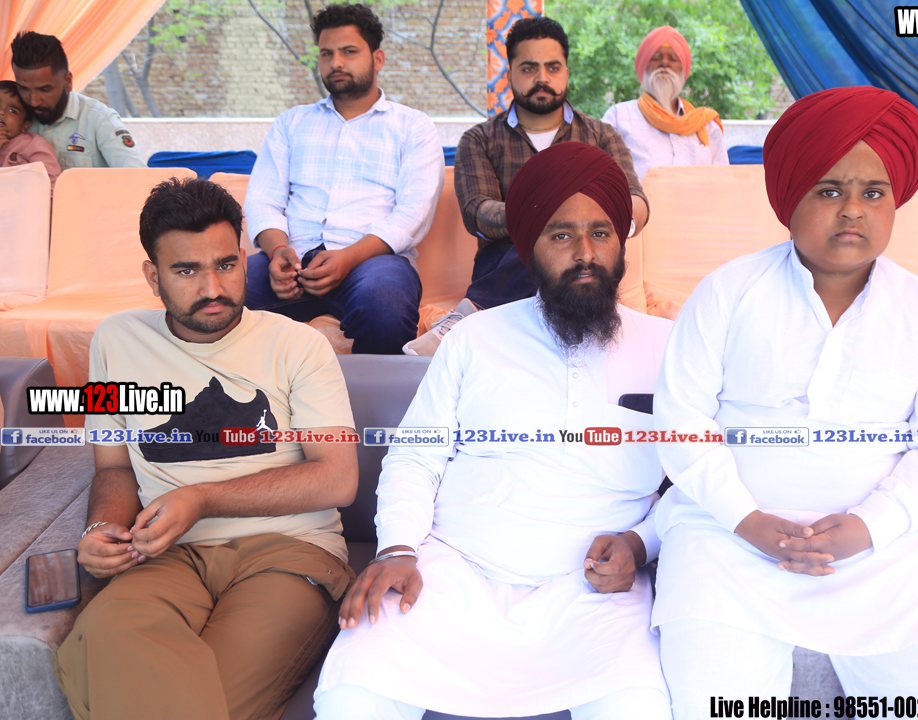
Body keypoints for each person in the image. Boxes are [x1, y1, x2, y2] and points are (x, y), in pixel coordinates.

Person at [652, 86, 918, 712]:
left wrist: (870, 526)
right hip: (728, 545)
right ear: (791, 201)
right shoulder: (727, 292)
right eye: (830, 191)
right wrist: (747, 521)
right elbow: (681, 424)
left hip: (889, 555)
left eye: (873, 193)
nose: (853, 210)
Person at [313, 142, 672, 720]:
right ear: (529, 248)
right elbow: (415, 457)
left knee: (637, 710)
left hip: (593, 592)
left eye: (601, 233)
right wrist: (398, 549)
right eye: (561, 235)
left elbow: (693, 484)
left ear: (621, 242)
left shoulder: (669, 347)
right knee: (351, 697)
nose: (585, 254)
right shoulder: (474, 338)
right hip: (453, 573)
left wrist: (640, 544)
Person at [54, 177, 359, 720]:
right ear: (153, 276)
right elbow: (114, 469)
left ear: (244, 260)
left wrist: (201, 498)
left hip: (289, 550)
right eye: (186, 270)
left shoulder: (299, 345)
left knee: (192, 696)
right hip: (164, 555)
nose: (213, 287)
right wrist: (101, 530)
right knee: (99, 636)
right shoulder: (114, 340)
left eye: (226, 264)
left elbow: (337, 477)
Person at [244, 3, 444, 355]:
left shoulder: (413, 126)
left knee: (384, 305)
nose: (336, 62)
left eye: (349, 52)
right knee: (221, 289)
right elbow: (263, 200)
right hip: (293, 260)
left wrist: (349, 257)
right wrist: (278, 252)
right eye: (327, 53)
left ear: (377, 58)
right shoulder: (292, 123)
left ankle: (374, 395)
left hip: (372, 262)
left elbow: (414, 212)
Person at [454, 16, 649, 310]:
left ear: (566, 73)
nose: (542, 78)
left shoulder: (601, 136)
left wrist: (571, 223)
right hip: (504, 264)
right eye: (529, 68)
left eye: (553, 68)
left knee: (580, 245)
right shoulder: (480, 139)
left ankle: (470, 313)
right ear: (509, 74)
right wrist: (554, 226)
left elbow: (636, 202)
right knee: (540, 247)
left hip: (588, 256)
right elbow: (478, 212)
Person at [602, 25, 728, 181]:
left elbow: (723, 182)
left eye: (673, 58)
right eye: (656, 57)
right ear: (645, 67)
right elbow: (600, 175)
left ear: (682, 70)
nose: (664, 63)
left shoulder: (706, 125)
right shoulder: (618, 116)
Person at [10, 31, 146, 169]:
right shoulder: (11, 117)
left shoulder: (100, 121)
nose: (33, 101)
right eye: (24, 89)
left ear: (68, 81)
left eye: (45, 90)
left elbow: (136, 176)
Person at [0, 79, 60, 188]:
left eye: (12, 111)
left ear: (25, 125)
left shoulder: (32, 145)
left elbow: (50, 180)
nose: (2, 112)